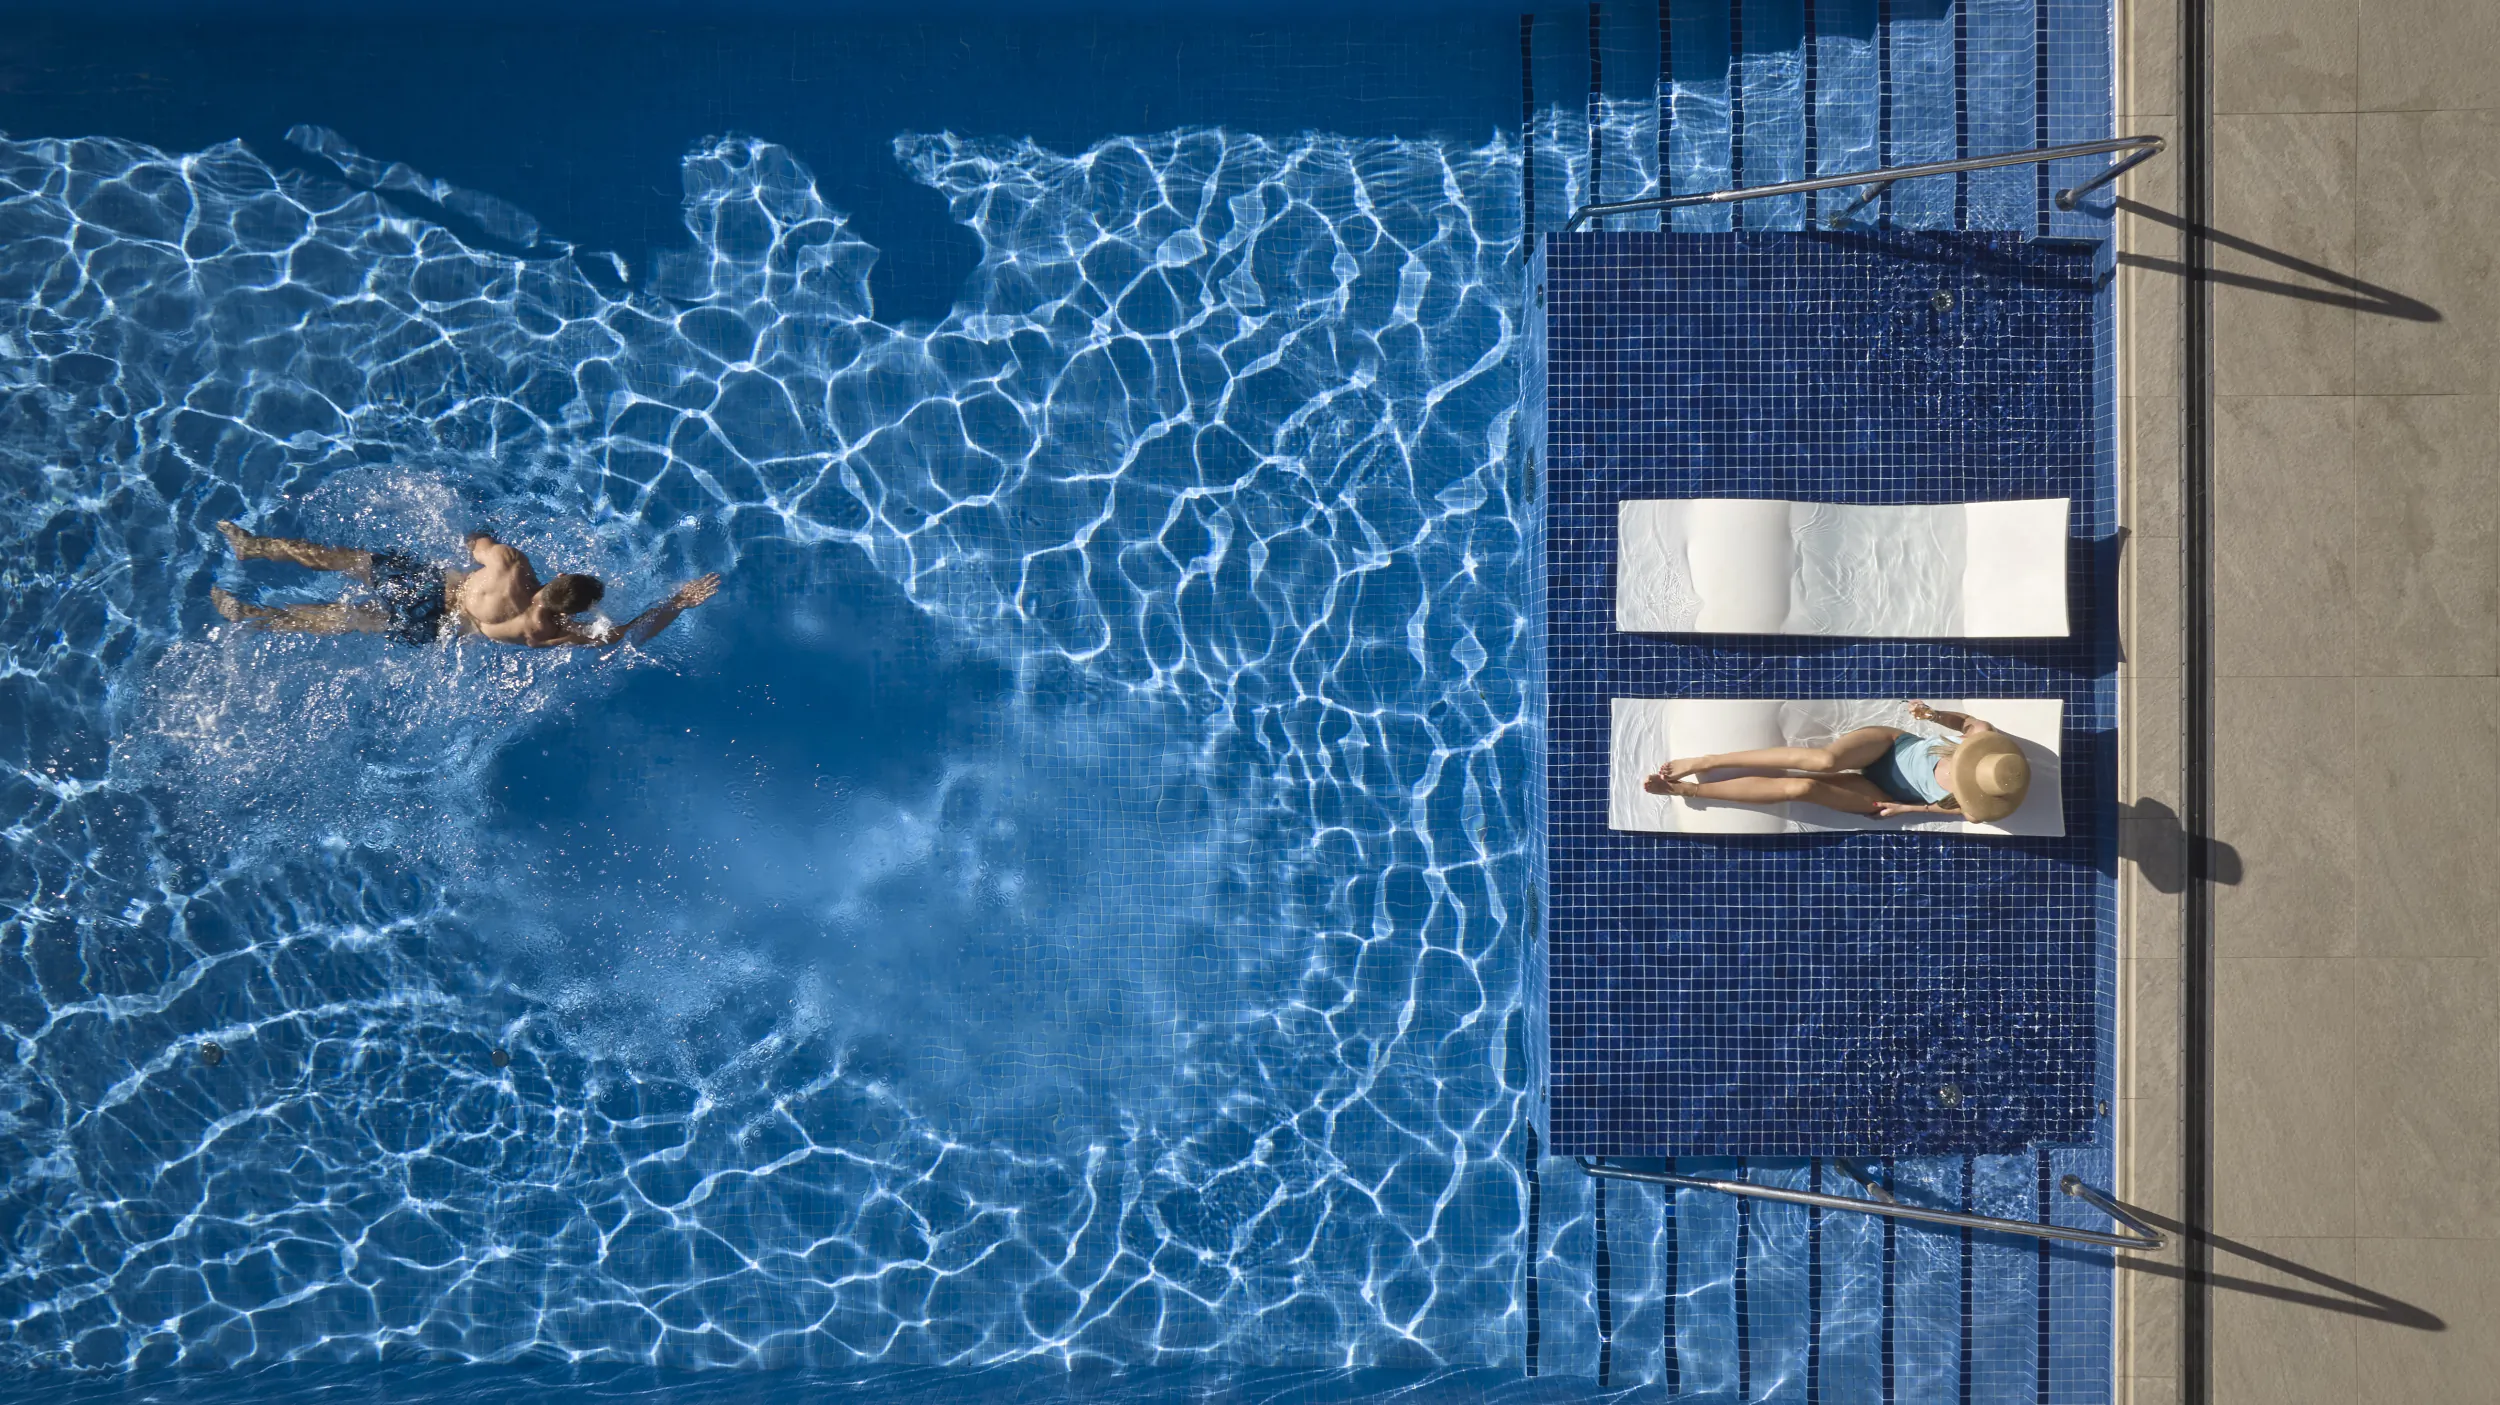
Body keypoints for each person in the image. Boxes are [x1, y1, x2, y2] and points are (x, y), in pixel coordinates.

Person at [210, 522, 720, 650]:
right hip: (439, 628)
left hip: (435, 588)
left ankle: (251, 547)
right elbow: (629, 634)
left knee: (345, 561)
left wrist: (477, 534)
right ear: (574, 608)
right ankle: (253, 615)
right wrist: (679, 601)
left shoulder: (511, 565)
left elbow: (475, 539)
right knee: (346, 619)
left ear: (559, 579)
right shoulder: (550, 634)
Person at [1643, 701, 2032, 821]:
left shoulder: (1977, 805)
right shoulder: (1981, 735)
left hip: (1885, 791)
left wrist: (1905, 807)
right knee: (1824, 760)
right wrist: (1932, 715)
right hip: (1889, 747)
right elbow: (1962, 721)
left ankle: (1689, 788)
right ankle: (1707, 760)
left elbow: (1947, 810)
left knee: (1804, 787)